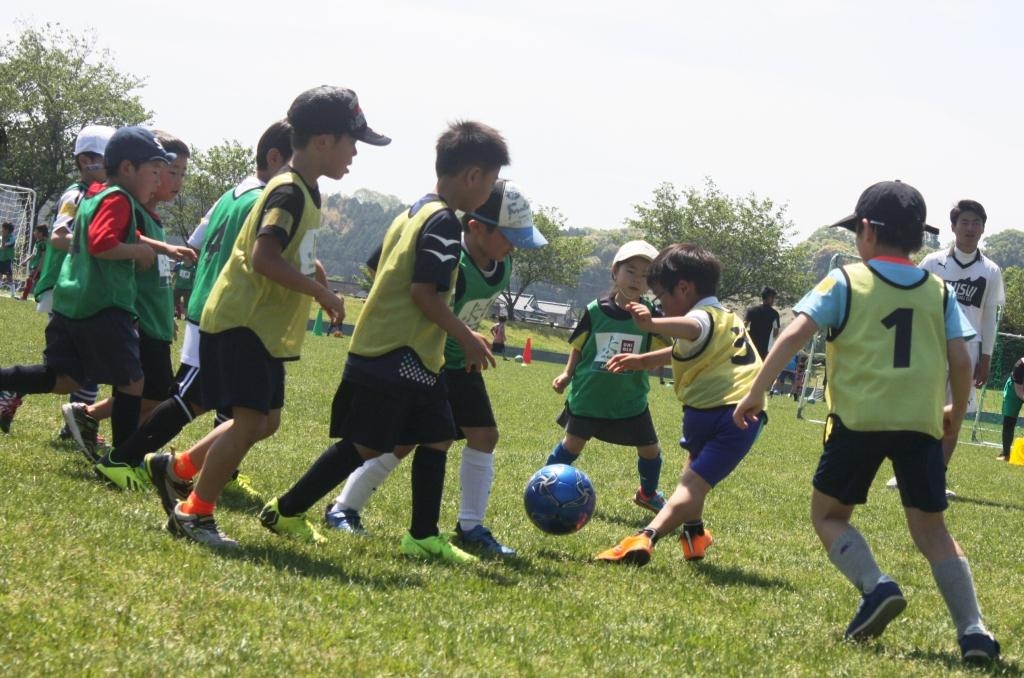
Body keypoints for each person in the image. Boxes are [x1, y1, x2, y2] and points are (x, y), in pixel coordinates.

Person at [732, 180, 999, 663]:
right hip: (920, 426)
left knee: (828, 516)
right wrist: (955, 415)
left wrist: (756, 390)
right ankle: (974, 630)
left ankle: (876, 586)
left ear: (869, 231)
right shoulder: (938, 290)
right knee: (933, 532)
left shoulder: (845, 281)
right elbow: (961, 360)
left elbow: (793, 335)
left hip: (857, 422)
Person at [258, 120, 506, 565]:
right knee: (365, 444)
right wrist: (465, 335)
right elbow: (423, 293)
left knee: (437, 436)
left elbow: (380, 270)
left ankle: (423, 535)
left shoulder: (413, 212)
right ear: (472, 176)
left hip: (412, 355)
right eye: (490, 182)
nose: (489, 192)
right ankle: (287, 509)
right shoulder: (443, 224)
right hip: (397, 354)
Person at [155, 87, 380, 548]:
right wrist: (319, 291)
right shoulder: (289, 191)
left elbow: (292, 253)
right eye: (352, 142)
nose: (356, 153)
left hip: (259, 328)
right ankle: (194, 512)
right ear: (323, 141)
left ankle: (177, 468)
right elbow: (263, 257)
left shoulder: (305, 190)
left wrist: (318, 282)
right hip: (243, 322)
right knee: (248, 421)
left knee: (265, 421)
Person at [323, 179, 546, 558]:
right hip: (426, 360)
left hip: (461, 362)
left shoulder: (502, 263)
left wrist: (467, 338)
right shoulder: (447, 253)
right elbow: (383, 268)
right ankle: (344, 507)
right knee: (402, 442)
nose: (514, 247)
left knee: (484, 436)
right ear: (476, 228)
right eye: (509, 237)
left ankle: (471, 527)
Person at [127, 121, 295, 510]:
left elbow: (197, 243)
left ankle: (196, 468)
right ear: (275, 158)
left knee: (238, 407)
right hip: (226, 311)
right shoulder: (265, 201)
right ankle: (128, 456)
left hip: (214, 303)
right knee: (191, 397)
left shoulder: (233, 194)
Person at [0, 126, 171, 452]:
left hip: (72, 304)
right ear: (127, 168)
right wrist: (136, 251)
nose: (158, 178)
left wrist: (154, 246)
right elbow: (99, 242)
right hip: (102, 306)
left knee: (66, 378)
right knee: (133, 382)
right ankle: (122, 460)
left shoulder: (95, 195)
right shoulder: (116, 199)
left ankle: (7, 380)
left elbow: (109, 234)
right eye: (155, 170)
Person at [595, 243, 765, 565]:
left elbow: (692, 328)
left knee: (691, 484)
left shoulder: (700, 317)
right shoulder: (728, 318)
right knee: (693, 480)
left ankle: (645, 537)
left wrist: (651, 325)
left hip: (728, 416)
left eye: (661, 298)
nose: (660, 307)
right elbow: (687, 345)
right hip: (732, 416)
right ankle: (694, 534)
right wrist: (643, 360)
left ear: (684, 288)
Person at [92, 130, 196, 487]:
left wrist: (168, 313)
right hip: (139, 321)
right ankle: (121, 453)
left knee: (147, 390)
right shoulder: (126, 206)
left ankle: (116, 445)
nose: (175, 181)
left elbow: (155, 272)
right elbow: (113, 248)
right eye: (169, 171)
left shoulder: (150, 217)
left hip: (155, 322)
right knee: (148, 390)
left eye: (181, 174)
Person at [547, 240, 669, 513]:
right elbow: (579, 346)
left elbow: (666, 349)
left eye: (645, 275)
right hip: (590, 396)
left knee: (650, 449)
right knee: (572, 445)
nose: (636, 279)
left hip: (630, 399)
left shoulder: (652, 317)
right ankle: (544, 482)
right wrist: (567, 373)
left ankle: (647, 494)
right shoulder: (594, 310)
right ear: (615, 272)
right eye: (630, 271)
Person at [899, 200, 1004, 492]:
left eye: (976, 223)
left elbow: (989, 319)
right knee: (922, 413)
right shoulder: (932, 263)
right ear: (953, 227)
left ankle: (936, 477)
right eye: (964, 222)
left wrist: (986, 357)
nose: (970, 228)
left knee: (953, 416)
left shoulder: (991, 271)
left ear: (983, 228)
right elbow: (912, 303)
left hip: (968, 354)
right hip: (929, 348)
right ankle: (909, 473)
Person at [35, 125, 115, 440]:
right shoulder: (76, 194)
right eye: (106, 159)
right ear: (85, 161)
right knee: (81, 362)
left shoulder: (99, 195)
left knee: (78, 364)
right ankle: (14, 386)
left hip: (78, 285)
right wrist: (99, 248)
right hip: (64, 284)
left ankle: (73, 424)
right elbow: (58, 237)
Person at [996, 356, 1024, 461]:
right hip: (1015, 390)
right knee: (1009, 420)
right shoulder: (1019, 367)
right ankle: (1006, 454)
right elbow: (1019, 392)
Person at [744, 286, 780, 360]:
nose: (773, 300)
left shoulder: (752, 310)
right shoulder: (774, 314)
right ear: (767, 297)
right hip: (764, 349)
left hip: (750, 346)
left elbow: (744, 326)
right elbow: (776, 332)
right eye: (772, 297)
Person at [18, 224, 48, 301]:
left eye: (35, 231)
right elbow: (33, 254)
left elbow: (43, 256)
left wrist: (39, 267)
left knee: (29, 280)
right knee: (37, 282)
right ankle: (40, 298)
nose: (34, 232)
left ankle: (24, 297)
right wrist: (25, 261)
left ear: (41, 233)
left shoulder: (43, 243)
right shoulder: (37, 242)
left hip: (37, 266)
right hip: (34, 265)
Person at [0, 222, 16, 296]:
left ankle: (13, 293)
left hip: (7, 259)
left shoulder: (12, 238)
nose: (1, 230)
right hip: (1, 258)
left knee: (9, 276)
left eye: (3, 229)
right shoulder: (1, 237)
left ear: (7, 230)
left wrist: (3, 238)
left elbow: (3, 247)